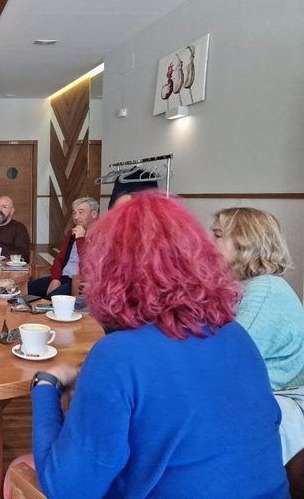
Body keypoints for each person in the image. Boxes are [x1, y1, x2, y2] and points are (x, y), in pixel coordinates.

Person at [23, 192, 288, 498]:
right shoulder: (237, 336)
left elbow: (65, 488)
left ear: (107, 269)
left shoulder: (118, 355)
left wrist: (44, 386)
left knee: (21, 468)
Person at [212, 207, 304, 495]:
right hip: (248, 390)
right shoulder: (244, 287)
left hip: (277, 399)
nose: (206, 242)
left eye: (216, 235)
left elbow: (224, 364)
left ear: (245, 243)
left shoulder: (265, 290)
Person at [28, 197, 98, 298]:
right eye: (74, 213)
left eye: (81, 212)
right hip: (63, 277)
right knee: (27, 288)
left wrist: (80, 239)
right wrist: (55, 279)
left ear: (94, 214)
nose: (76, 217)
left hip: (79, 281)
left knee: (53, 298)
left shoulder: (101, 234)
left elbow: (90, 264)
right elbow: (59, 259)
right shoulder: (72, 232)